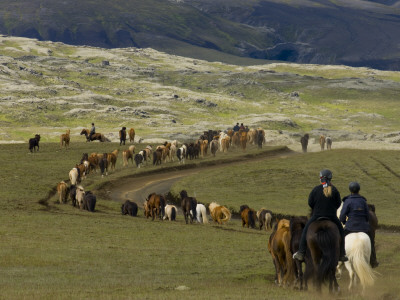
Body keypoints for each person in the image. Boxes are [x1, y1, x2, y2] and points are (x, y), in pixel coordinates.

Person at [293, 169, 348, 262]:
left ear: (320, 179)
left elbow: (310, 203)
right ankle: (342, 254)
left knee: (306, 230)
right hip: (332, 217)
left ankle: (301, 253)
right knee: (341, 232)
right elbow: (338, 204)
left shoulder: (315, 189)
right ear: (331, 179)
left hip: (316, 216)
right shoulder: (334, 190)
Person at [340, 182, 379, 268]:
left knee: (340, 240)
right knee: (371, 242)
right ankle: (373, 260)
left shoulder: (347, 200)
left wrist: (344, 222)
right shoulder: (363, 201)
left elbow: (342, 215)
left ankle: (341, 257)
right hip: (363, 227)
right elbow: (367, 215)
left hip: (350, 227)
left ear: (350, 190)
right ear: (359, 190)